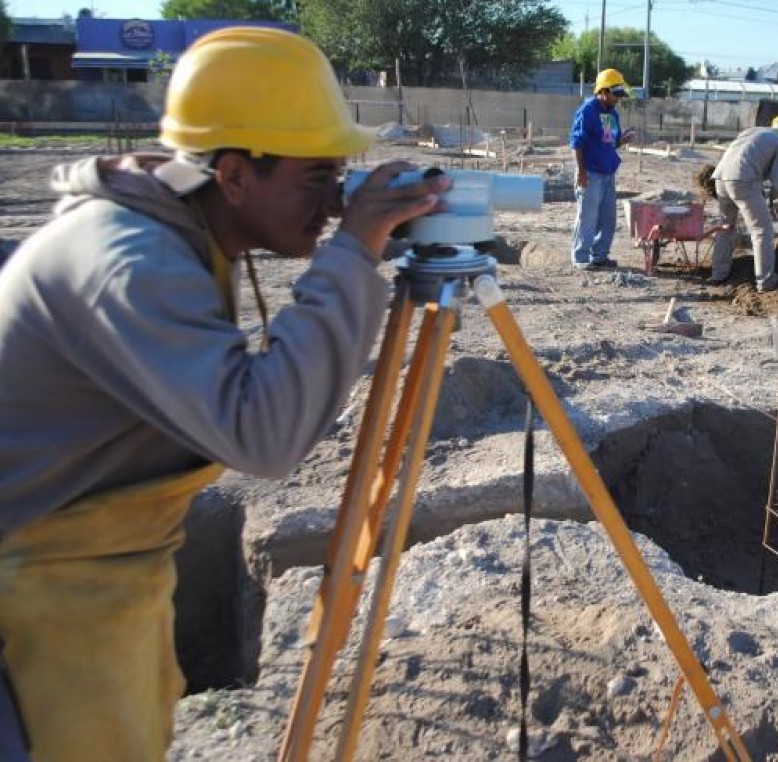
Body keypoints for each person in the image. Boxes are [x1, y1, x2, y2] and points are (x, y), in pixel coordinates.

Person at [0, 27, 450, 761]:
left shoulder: (174, 229)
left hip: (88, 584)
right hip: (25, 611)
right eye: (317, 177)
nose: (336, 201)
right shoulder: (129, 259)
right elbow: (263, 434)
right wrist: (354, 249)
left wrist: (356, 241)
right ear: (235, 174)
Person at [708, 111, 778, 292]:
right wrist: (777, 206)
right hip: (743, 181)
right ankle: (766, 281)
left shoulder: (751, 131)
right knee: (762, 230)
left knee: (726, 226)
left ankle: (719, 274)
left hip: (720, 179)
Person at [569, 68, 637, 270]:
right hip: (590, 173)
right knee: (587, 218)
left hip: (607, 174)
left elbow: (609, 142)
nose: (617, 99)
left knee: (607, 219)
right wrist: (581, 172)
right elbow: (576, 143)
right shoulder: (588, 110)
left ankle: (600, 255)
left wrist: (621, 141)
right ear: (604, 91)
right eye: (615, 95)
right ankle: (580, 257)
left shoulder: (611, 113)